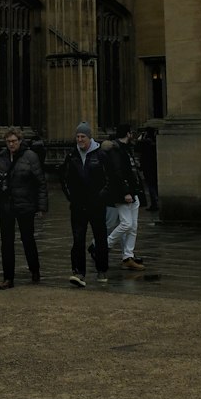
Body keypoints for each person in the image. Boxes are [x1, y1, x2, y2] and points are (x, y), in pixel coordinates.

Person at [58, 121, 110, 288]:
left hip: (96, 204)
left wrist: (101, 196)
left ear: (89, 137)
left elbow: (110, 179)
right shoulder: (72, 155)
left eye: (83, 136)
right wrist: (71, 197)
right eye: (78, 136)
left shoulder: (100, 154)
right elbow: (64, 179)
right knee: (78, 239)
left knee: (101, 239)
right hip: (78, 205)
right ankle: (79, 272)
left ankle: (102, 269)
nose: (80, 139)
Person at [0, 129, 47, 290]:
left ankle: (34, 269)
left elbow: (41, 182)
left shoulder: (30, 156)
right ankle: (8, 277)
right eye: (8, 141)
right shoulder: (1, 157)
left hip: (25, 204)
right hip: (7, 205)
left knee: (27, 239)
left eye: (14, 141)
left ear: (20, 141)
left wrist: (41, 207)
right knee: (7, 242)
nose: (11, 144)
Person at [103, 124, 145, 270]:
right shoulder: (117, 150)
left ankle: (128, 256)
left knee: (133, 226)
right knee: (126, 224)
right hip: (123, 193)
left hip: (133, 191)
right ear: (128, 134)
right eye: (131, 133)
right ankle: (103, 246)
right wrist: (126, 191)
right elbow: (118, 172)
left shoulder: (126, 148)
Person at [138, 127, 159, 212]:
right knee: (154, 185)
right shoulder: (155, 141)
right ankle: (156, 201)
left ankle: (154, 203)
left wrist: (141, 137)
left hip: (148, 166)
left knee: (151, 185)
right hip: (154, 166)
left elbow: (137, 146)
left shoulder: (145, 142)